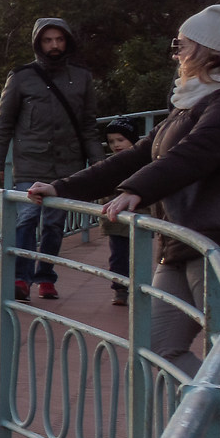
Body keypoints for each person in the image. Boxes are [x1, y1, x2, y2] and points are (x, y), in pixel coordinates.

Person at [33, 0, 220, 438]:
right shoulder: (199, 98)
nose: (176, 52)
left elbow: (201, 152)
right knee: (158, 345)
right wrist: (65, 188)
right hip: (185, 238)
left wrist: (139, 190)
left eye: (182, 44)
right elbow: (139, 153)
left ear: (209, 49)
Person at [0, 17, 98, 301]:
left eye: (59, 40)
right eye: (48, 40)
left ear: (67, 41)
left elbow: (88, 127)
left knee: (53, 223)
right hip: (30, 163)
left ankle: (46, 277)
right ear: (38, 43)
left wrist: (100, 166)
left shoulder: (82, 77)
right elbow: (3, 124)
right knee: (27, 218)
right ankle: (21, 278)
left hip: (67, 163)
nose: (54, 46)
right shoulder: (22, 77)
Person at [97, 122, 140, 305]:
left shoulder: (143, 163)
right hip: (116, 220)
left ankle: (137, 287)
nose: (116, 145)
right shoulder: (109, 164)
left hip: (138, 218)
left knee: (137, 255)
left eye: (121, 140)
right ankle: (120, 289)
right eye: (111, 141)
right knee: (119, 255)